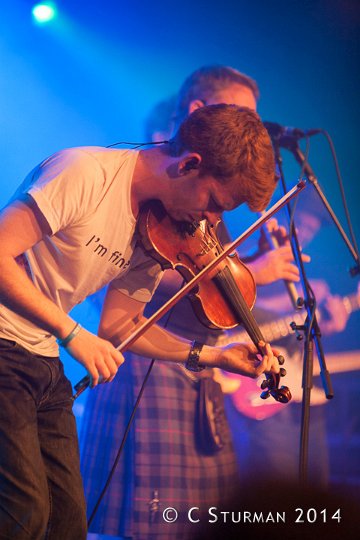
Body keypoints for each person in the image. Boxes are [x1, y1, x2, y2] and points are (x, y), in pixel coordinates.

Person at [0, 103, 281, 539]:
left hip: (39, 356)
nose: (213, 222)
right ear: (189, 164)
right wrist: (72, 332)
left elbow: (120, 327)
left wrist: (214, 356)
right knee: (25, 513)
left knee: (67, 523)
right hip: (4, 347)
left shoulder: (157, 231)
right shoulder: (84, 172)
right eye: (214, 204)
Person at [80, 66, 307, 540]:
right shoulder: (162, 175)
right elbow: (130, 267)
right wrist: (248, 275)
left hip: (195, 360)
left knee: (202, 522)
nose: (256, 129)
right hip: (148, 358)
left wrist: (249, 268)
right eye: (243, 114)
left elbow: (198, 262)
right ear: (201, 111)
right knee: (148, 522)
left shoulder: (211, 190)